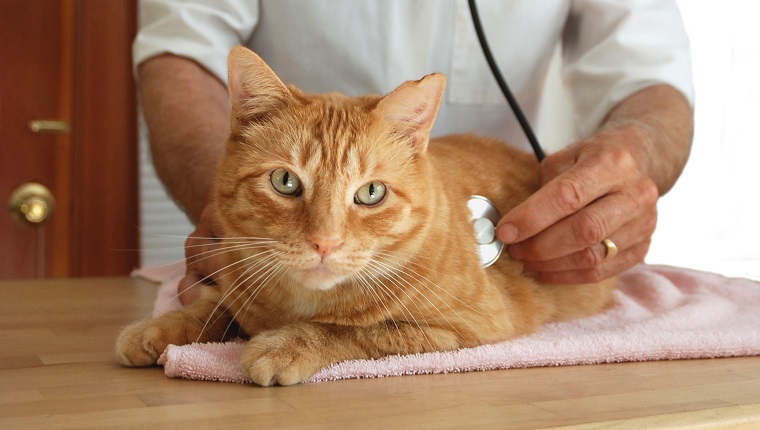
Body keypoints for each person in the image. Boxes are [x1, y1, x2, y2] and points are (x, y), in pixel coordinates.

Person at [134, 1, 694, 305]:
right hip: (276, 226)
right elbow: (182, 49)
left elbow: (649, 72)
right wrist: (235, 206)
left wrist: (635, 154)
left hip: (501, 233)